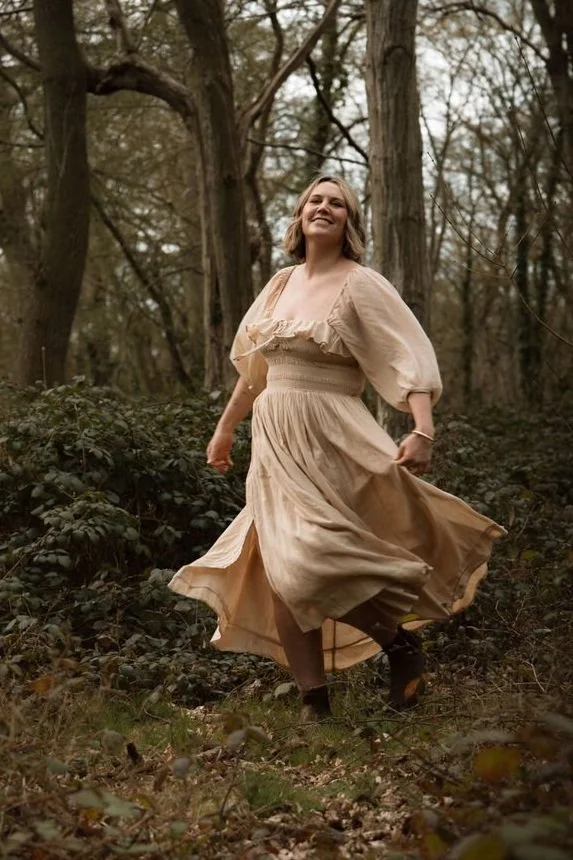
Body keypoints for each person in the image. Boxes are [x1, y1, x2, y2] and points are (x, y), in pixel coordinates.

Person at [169, 175, 505, 722]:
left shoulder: (362, 284)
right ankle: (313, 704)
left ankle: (398, 644)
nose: (324, 208)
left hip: (334, 438)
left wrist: (422, 431)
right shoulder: (279, 284)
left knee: (312, 562)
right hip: (274, 442)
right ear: (299, 216)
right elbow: (254, 372)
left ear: (350, 222)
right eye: (315, 201)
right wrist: (225, 427)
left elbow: (409, 358)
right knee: (281, 571)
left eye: (338, 204)